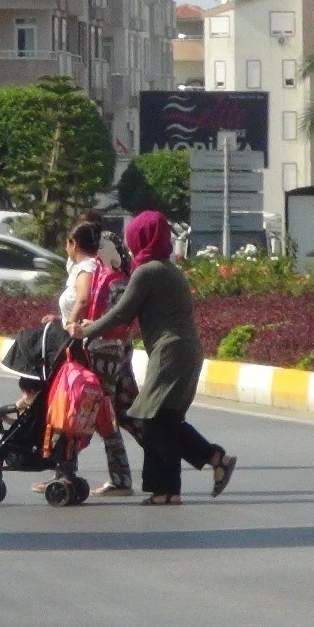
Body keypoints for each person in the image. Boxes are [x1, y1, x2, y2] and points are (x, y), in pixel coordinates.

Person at [72, 210, 237, 505]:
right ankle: (202, 468)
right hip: (184, 350)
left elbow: (122, 312)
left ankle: (169, 487)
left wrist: (87, 331)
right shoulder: (167, 269)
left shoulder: (147, 272)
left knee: (154, 418)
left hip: (170, 351)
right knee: (165, 418)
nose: (129, 244)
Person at [32, 221, 133, 496]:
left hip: (97, 350)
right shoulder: (98, 272)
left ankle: (80, 474)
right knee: (83, 408)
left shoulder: (98, 273)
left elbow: (90, 305)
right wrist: (64, 321)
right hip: (93, 347)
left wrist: (75, 326)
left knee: (86, 409)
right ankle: (67, 473)